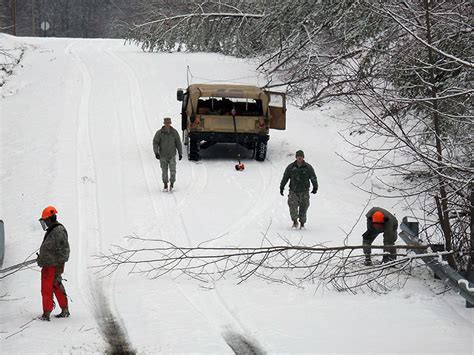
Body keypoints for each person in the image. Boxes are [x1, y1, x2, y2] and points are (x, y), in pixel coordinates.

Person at [37, 205, 70, 321]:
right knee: (54, 285)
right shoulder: (53, 230)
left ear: (51, 218)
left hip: (53, 265)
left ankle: (46, 314)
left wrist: (60, 265)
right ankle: (64, 310)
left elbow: (65, 249)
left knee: (48, 288)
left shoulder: (59, 230)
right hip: (48, 265)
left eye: (45, 220)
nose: (45, 223)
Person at [280, 150, 318, 229]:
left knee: (304, 208)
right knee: (292, 207)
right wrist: (282, 187)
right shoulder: (291, 167)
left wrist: (315, 187)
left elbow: (313, 177)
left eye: (301, 156)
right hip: (293, 191)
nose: (299, 157)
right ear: (296, 157)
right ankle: (294, 222)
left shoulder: (308, 167)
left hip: (304, 191)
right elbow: (285, 177)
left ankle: (302, 223)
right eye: (298, 156)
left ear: (303, 157)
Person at [153, 117, 183, 191]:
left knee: (173, 171)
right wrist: (156, 152)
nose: (167, 124)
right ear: (164, 123)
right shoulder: (159, 133)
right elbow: (155, 142)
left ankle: (172, 184)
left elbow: (178, 143)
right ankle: (165, 185)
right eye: (166, 123)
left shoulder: (174, 132)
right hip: (163, 155)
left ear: (170, 123)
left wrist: (180, 153)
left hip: (172, 155)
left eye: (168, 123)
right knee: (164, 171)